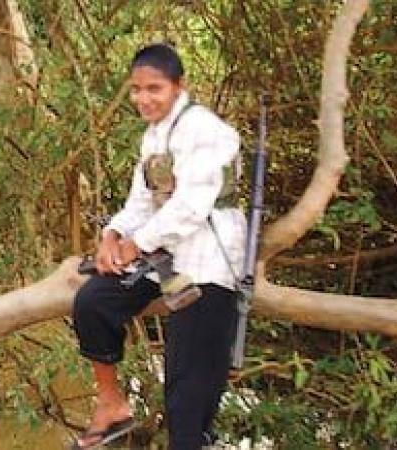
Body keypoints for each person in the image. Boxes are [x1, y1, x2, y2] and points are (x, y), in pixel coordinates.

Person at [71, 43, 246, 450]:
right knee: (93, 302)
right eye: (136, 89)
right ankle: (112, 405)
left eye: (154, 88)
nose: (143, 99)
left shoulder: (206, 131)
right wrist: (113, 235)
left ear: (178, 86)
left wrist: (135, 244)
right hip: (164, 258)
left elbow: (190, 207)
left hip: (207, 260)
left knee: (185, 405)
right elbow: (141, 202)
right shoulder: (153, 138)